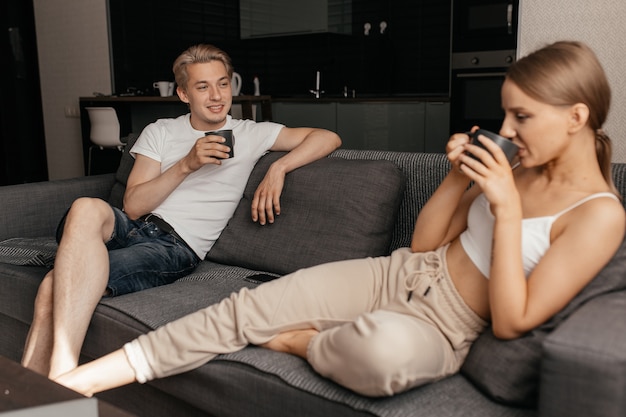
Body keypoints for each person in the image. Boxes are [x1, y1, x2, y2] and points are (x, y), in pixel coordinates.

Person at [55, 40, 625, 398]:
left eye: (521, 115)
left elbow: (510, 322)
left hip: (447, 326)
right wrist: (458, 179)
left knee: (383, 358)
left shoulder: (600, 216)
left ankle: (304, 343)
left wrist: (504, 207)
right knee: (247, 308)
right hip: (400, 272)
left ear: (576, 116)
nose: (508, 126)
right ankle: (79, 381)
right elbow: (428, 241)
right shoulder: (522, 164)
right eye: (506, 112)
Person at [21, 43, 342, 380]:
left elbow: (328, 137)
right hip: (131, 226)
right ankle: (60, 387)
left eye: (222, 83)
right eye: (203, 87)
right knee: (85, 206)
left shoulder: (250, 133)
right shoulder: (160, 131)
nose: (217, 95)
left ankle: (51, 382)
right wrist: (186, 165)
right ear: (184, 93)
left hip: (172, 247)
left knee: (52, 285)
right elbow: (132, 206)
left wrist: (280, 169)